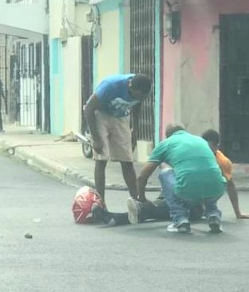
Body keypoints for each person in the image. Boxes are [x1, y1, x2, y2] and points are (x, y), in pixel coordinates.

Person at [136, 123, 227, 234]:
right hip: (218, 188)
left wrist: (142, 199)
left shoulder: (166, 143)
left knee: (164, 172)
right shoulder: (200, 141)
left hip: (187, 190)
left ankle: (180, 219)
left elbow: (142, 176)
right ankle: (213, 214)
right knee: (206, 176)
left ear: (167, 135)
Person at [83, 73, 152, 203]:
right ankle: (100, 202)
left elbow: (137, 106)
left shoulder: (142, 90)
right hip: (100, 115)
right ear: (130, 86)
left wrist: (134, 130)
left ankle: (136, 200)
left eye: (142, 96)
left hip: (120, 116)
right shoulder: (110, 86)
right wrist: (97, 139)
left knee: (127, 159)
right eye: (136, 95)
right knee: (101, 158)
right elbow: (88, 109)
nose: (138, 98)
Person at [201, 129, 249, 219]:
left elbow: (230, 186)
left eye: (208, 147)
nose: (204, 150)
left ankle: (208, 210)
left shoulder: (223, 162)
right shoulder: (195, 156)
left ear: (216, 147)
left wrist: (238, 213)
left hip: (208, 195)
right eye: (202, 146)